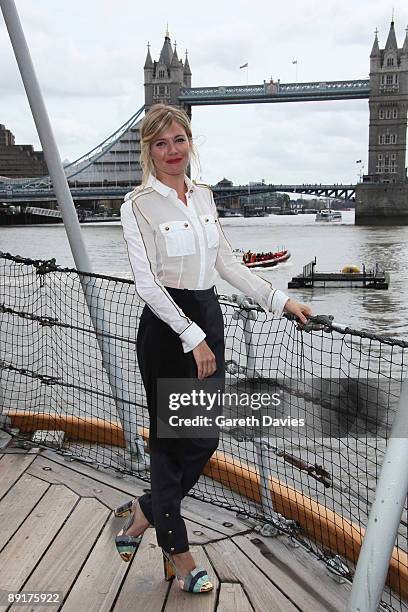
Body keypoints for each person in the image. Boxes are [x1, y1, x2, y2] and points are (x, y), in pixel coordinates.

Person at [116, 103, 311, 594]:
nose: (172, 151)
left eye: (178, 140)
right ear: (148, 150)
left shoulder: (202, 196)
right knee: (169, 444)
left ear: (190, 142)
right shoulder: (136, 205)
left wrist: (280, 300)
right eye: (160, 143)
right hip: (168, 330)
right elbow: (146, 285)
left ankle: (143, 511)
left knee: (203, 441)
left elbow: (226, 262)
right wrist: (192, 337)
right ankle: (179, 555)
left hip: (208, 317)